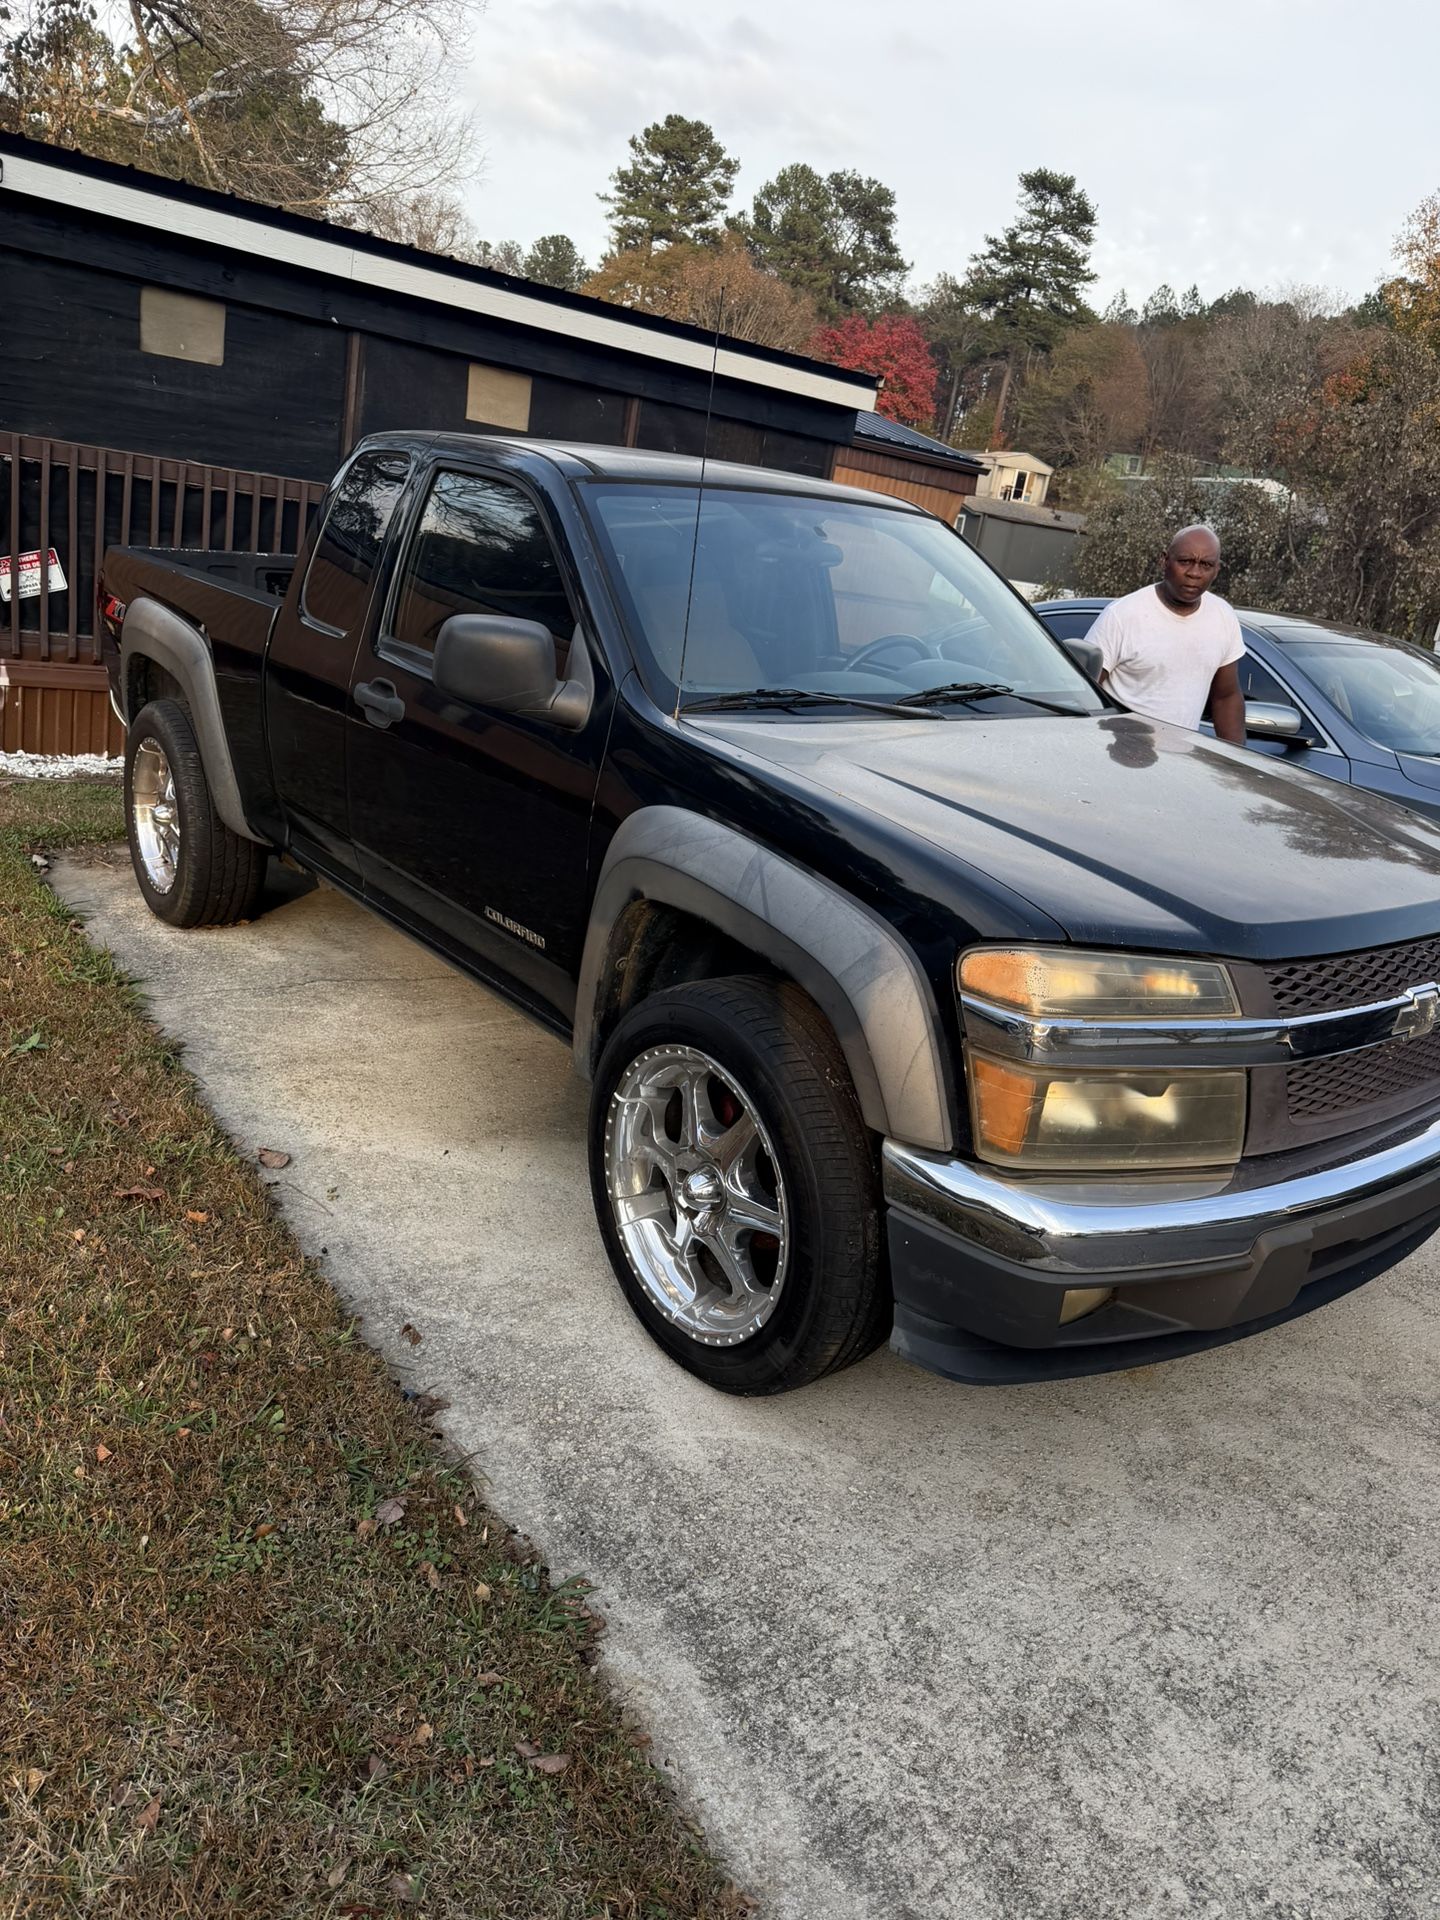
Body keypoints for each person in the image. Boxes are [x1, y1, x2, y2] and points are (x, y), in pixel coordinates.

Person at [1088, 525, 1246, 744]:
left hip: (1179, 758)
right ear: (1164, 560)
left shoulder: (1223, 616)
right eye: (1185, 561)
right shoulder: (1122, 615)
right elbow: (1085, 693)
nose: (1194, 573)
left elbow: (1226, 696)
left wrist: (1235, 758)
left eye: (1206, 565)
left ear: (1217, 570)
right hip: (1118, 752)